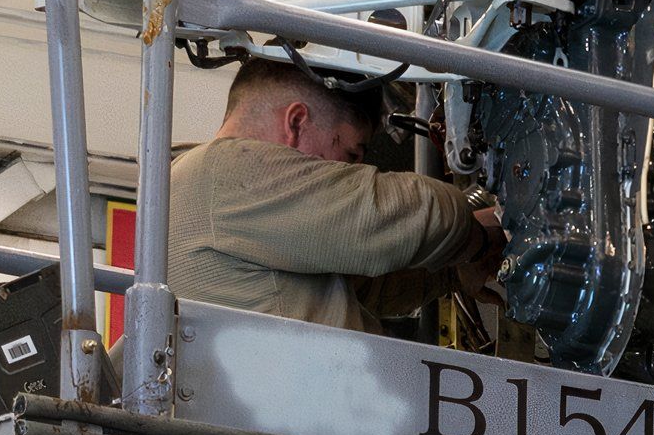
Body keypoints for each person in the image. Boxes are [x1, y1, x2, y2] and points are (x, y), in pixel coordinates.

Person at [166, 67, 482, 331]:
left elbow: (359, 286)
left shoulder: (201, 190)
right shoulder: (223, 171)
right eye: (350, 153)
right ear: (296, 123)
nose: (351, 171)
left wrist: (454, 271)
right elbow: (399, 214)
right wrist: (480, 232)